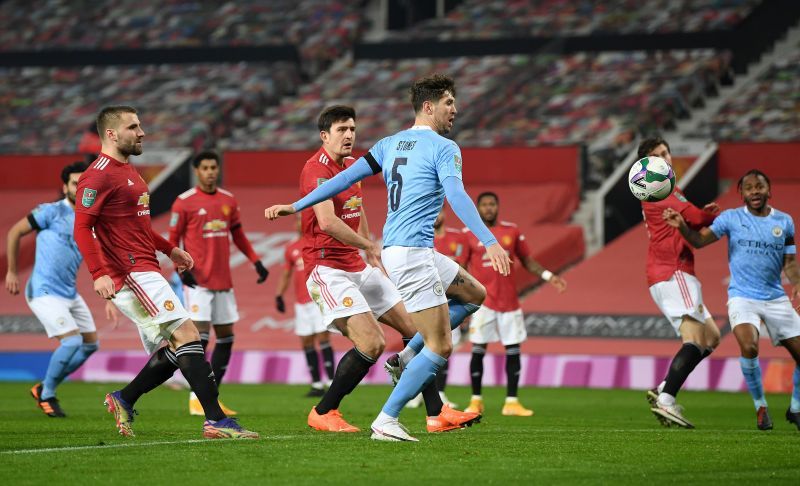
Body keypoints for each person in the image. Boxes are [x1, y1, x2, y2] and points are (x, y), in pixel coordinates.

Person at [266, 75, 512, 442]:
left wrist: (296, 205)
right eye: (449, 103)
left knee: (474, 295)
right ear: (429, 107)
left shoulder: (389, 144)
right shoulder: (445, 147)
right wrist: (489, 240)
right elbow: (458, 196)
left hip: (406, 252)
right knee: (439, 345)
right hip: (407, 254)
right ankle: (386, 419)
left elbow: (345, 178)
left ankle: (408, 367)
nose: (455, 110)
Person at [289, 105, 478, 436]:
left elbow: (356, 211)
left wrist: (369, 253)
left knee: (415, 327)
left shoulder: (350, 166)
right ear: (324, 136)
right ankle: (323, 410)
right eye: (341, 130)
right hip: (326, 268)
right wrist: (369, 245)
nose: (349, 135)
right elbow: (328, 221)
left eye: (352, 129)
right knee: (373, 343)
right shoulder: (314, 170)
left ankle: (436, 412)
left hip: (358, 267)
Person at [73, 105, 257, 439]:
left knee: (178, 346)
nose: (142, 132)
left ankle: (124, 398)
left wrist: (169, 249)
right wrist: (98, 272)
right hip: (128, 271)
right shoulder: (97, 174)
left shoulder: (130, 172)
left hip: (147, 265)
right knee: (188, 336)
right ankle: (215, 420)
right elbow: (82, 228)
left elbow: (138, 227)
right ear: (111, 134)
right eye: (134, 126)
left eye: (140, 125)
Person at [664, 169, 800, 431]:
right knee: (749, 346)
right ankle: (761, 407)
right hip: (743, 297)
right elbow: (699, 241)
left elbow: (790, 262)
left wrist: (796, 283)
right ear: (742, 194)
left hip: (775, 298)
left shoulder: (784, 222)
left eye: (759, 187)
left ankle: (795, 409)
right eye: (748, 188)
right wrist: (681, 226)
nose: (755, 192)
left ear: (768, 190)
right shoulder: (731, 218)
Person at [5, 161, 117, 417]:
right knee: (71, 341)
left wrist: (111, 297)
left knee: (91, 345)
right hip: (43, 291)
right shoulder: (50, 212)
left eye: (83, 184)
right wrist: (12, 271)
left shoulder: (90, 221)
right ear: (64, 186)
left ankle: (45, 386)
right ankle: (48, 394)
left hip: (69, 293)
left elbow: (99, 258)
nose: (79, 189)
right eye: (75, 184)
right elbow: (14, 232)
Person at [169, 150, 270, 416]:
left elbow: (238, 234)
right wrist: (180, 270)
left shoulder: (228, 200)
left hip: (224, 281)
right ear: (197, 171)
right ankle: (196, 398)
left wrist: (255, 260)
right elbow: (171, 240)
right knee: (198, 340)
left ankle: (212, 395)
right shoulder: (184, 202)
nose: (211, 171)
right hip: (198, 283)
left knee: (226, 338)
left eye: (214, 167)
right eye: (205, 168)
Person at [638, 137, 721, 429]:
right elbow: (696, 217)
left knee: (711, 337)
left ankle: (664, 387)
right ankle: (667, 399)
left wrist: (701, 216)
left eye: (666, 153)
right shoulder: (659, 188)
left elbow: (692, 218)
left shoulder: (663, 189)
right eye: (658, 156)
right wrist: (711, 216)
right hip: (673, 271)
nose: (666, 159)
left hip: (670, 272)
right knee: (694, 340)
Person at [462, 191, 567, 417]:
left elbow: (527, 261)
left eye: (492, 204)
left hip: (509, 301)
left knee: (513, 350)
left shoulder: (511, 231)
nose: (488, 208)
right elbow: (460, 268)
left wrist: (549, 276)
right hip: (483, 302)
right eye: (484, 205)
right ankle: (476, 401)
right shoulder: (468, 233)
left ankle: (511, 402)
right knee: (478, 350)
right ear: (478, 208)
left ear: (498, 207)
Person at [275, 216, 335, 397]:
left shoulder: (319, 241)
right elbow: (286, 274)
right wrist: (279, 294)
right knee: (306, 341)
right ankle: (316, 384)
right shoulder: (291, 248)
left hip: (318, 298)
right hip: (301, 303)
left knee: (323, 339)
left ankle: (332, 382)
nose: (299, 223)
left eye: (302, 219)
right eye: (297, 220)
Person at [432, 208, 469, 408]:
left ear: (444, 214)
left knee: (445, 348)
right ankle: (420, 393)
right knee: (425, 346)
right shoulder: (423, 237)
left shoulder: (458, 238)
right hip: (428, 300)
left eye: (439, 212)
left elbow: (463, 271)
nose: (436, 216)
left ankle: (440, 391)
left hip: (451, 301)